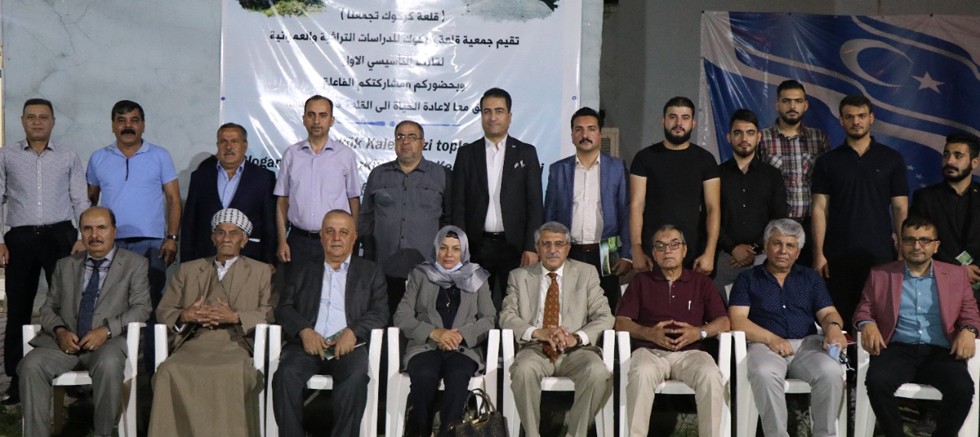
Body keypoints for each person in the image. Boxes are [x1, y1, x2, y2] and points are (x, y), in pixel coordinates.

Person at [19, 206, 152, 437]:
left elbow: (142, 309)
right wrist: (59, 331)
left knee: (108, 364)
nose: (94, 235)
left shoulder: (135, 264)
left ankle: (102, 433)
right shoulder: (65, 265)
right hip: (64, 345)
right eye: (87, 229)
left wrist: (106, 331)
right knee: (31, 365)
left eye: (101, 228)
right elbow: (48, 308)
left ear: (114, 231)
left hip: (108, 344)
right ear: (81, 232)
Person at [149, 208, 273, 436]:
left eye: (234, 233)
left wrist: (235, 317)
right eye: (221, 232)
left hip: (236, 344)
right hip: (194, 343)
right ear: (213, 237)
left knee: (233, 372)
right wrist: (185, 315)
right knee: (168, 370)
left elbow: (269, 312)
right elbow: (164, 310)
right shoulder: (188, 270)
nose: (226, 238)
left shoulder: (261, 271)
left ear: (244, 240)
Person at [854, 215, 980, 437]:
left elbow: (970, 311)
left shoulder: (956, 275)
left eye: (924, 240)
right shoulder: (881, 274)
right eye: (910, 240)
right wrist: (867, 323)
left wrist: (969, 330)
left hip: (941, 351)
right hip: (897, 349)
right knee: (876, 381)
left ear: (936, 245)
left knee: (962, 389)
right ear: (900, 243)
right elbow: (864, 309)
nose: (917, 246)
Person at [0, 98, 90, 404]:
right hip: (20, 238)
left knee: (68, 305)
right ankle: (17, 379)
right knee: (18, 309)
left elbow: (80, 199)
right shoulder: (6, 155)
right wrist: (0, 240)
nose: (37, 122)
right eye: (31, 117)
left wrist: (82, 236)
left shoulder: (68, 155)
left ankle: (73, 370)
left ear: (53, 121)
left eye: (43, 117)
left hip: (60, 236)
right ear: (22, 121)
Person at [272, 210, 387, 437]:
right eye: (330, 231)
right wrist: (304, 331)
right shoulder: (303, 268)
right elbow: (284, 308)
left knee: (354, 378)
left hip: (348, 347)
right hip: (307, 346)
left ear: (354, 237)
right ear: (321, 236)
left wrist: (353, 331)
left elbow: (381, 312)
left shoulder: (370, 272)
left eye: (343, 232)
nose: (336, 238)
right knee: (285, 375)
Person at [729, 218, 847, 437]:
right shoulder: (748, 278)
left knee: (831, 372)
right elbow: (737, 320)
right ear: (766, 246)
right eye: (777, 243)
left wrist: (832, 328)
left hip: (807, 346)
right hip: (765, 346)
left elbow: (828, 313)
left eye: (790, 245)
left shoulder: (810, 278)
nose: (783, 250)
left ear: (798, 252)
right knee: (764, 373)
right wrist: (771, 339)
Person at [499, 221, 614, 437]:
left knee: (598, 372)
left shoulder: (586, 273)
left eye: (559, 244)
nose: (553, 250)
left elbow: (605, 316)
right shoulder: (519, 276)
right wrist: (537, 332)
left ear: (568, 248)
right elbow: (507, 316)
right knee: (523, 370)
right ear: (537, 248)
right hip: (535, 348)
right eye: (546, 244)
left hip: (576, 351)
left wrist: (576, 338)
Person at [615, 225, 730, 437]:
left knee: (711, 375)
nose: (667, 250)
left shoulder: (701, 283)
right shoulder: (641, 282)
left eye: (674, 245)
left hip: (691, 353)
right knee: (641, 373)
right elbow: (621, 322)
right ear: (653, 253)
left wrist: (699, 332)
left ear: (684, 250)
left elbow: (723, 322)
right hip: (650, 352)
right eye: (660, 246)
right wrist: (648, 333)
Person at [811, 94, 909, 323]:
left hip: (880, 255)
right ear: (841, 120)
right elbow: (819, 208)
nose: (856, 121)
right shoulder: (827, 162)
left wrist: (902, 253)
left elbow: (900, 209)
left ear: (871, 118)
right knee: (841, 322)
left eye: (861, 116)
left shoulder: (891, 159)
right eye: (850, 117)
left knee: (879, 319)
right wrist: (818, 254)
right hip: (837, 256)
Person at [392, 225, 495, 437]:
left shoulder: (477, 277)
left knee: (457, 376)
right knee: (424, 374)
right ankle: (420, 432)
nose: (449, 254)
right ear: (436, 249)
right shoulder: (421, 274)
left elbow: (489, 319)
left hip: (462, 349)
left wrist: (461, 335)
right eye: (443, 248)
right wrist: (434, 333)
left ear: (463, 251)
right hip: (425, 346)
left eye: (456, 249)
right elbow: (401, 316)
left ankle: (448, 434)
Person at [451, 87, 543, 311]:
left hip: (515, 247)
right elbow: (458, 204)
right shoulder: (466, 154)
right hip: (476, 246)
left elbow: (535, 204)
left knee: (517, 307)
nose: (492, 117)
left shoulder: (526, 153)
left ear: (509, 116)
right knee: (474, 308)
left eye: (499, 111)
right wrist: (460, 247)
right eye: (487, 111)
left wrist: (531, 247)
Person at [87, 100, 181, 304]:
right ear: (113, 125)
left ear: (143, 125)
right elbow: (89, 201)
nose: (128, 126)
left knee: (150, 299)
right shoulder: (98, 158)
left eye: (134, 120)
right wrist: (84, 237)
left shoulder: (160, 155)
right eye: (121, 120)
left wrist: (172, 238)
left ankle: (149, 328)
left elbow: (173, 199)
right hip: (110, 241)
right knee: (111, 300)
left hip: (152, 243)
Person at [361, 120, 452, 318]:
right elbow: (366, 219)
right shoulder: (378, 175)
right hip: (384, 269)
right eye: (400, 137)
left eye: (412, 137)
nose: (405, 142)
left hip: (429, 269)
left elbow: (450, 220)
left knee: (425, 323)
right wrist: (367, 260)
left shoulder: (441, 175)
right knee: (387, 322)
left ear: (422, 142)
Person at [545, 107, 632, 312]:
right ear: (572, 136)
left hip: (608, 248)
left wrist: (627, 254)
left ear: (600, 134)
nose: (585, 135)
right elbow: (550, 214)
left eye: (591, 129)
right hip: (569, 249)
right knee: (568, 308)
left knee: (605, 308)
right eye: (579, 130)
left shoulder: (617, 167)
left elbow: (625, 212)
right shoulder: (558, 169)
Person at [629, 96, 720, 274]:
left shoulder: (706, 160)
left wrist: (710, 253)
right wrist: (636, 249)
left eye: (685, 118)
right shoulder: (644, 158)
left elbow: (713, 208)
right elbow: (636, 205)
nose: (678, 123)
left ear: (693, 123)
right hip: (653, 251)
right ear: (663, 120)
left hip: (694, 251)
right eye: (673, 117)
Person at [275, 95, 361, 270]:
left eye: (322, 115)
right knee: (296, 287)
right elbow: (282, 201)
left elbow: (354, 200)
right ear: (304, 119)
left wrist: (352, 240)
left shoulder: (345, 155)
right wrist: (282, 241)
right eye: (311, 115)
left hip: (335, 242)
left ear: (331, 120)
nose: (316, 121)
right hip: (298, 242)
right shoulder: (291, 154)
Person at [716, 109, 787, 302]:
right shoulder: (717, 174)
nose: (744, 138)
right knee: (721, 311)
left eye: (750, 133)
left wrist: (753, 248)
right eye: (738, 133)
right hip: (726, 258)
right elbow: (709, 216)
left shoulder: (772, 175)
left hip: (764, 256)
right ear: (729, 137)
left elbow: (779, 217)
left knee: (764, 311)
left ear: (759, 137)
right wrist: (733, 248)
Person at [181, 123, 277, 264]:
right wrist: (186, 261)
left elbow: (270, 224)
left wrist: (270, 261)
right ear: (217, 145)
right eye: (223, 141)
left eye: (234, 141)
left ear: (245, 145)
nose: (228, 147)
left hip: (249, 259)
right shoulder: (200, 177)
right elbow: (189, 222)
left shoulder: (263, 178)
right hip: (206, 259)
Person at [757, 80, 830, 266]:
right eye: (786, 101)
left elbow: (828, 184)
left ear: (805, 105)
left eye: (797, 101)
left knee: (809, 277)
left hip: (812, 224)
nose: (792, 106)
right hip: (775, 226)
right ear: (777, 105)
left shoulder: (818, 138)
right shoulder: (762, 138)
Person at [910, 132, 980, 296]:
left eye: (958, 156)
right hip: (938, 286)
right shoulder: (925, 197)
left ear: (974, 162)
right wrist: (958, 270)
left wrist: (975, 270)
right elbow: (919, 241)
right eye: (946, 155)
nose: (950, 161)